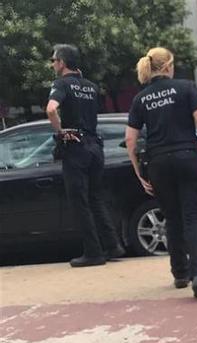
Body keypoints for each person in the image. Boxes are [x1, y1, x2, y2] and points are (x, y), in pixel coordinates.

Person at [125, 47, 197, 298]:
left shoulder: (141, 98)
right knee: (194, 218)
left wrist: (138, 172)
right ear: (168, 66)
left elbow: (130, 139)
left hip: (159, 164)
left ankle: (179, 273)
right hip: (188, 158)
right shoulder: (185, 88)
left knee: (172, 218)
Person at [46, 44, 124, 267]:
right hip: (95, 147)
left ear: (61, 62)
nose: (52, 64)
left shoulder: (60, 84)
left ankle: (93, 252)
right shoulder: (90, 86)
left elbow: (51, 109)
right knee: (95, 198)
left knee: (79, 202)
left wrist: (60, 132)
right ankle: (113, 245)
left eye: (53, 60)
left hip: (76, 148)